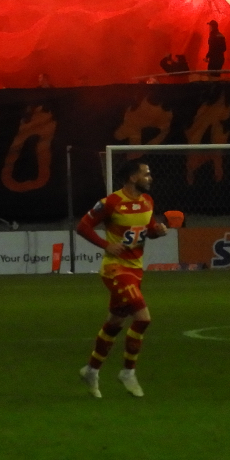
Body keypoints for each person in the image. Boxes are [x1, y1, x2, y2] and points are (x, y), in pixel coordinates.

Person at [75, 157, 169, 399]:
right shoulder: (111, 202)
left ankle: (91, 370)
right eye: (146, 173)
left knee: (115, 323)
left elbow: (145, 233)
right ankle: (128, 372)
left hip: (135, 269)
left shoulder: (147, 201)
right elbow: (82, 227)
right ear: (132, 177)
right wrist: (106, 244)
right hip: (115, 269)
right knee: (143, 318)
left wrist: (157, 232)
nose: (150, 177)